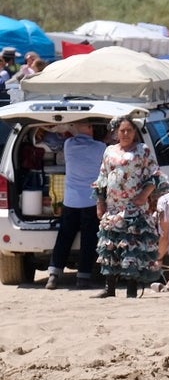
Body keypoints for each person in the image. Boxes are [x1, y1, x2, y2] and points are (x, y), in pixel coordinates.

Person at [92, 117, 164, 298]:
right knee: (111, 246)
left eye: (129, 131)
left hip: (134, 209)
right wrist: (100, 202)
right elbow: (102, 178)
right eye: (122, 130)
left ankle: (131, 290)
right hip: (113, 208)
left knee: (132, 248)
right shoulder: (109, 151)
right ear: (116, 132)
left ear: (134, 132)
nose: (125, 134)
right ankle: (110, 289)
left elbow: (155, 176)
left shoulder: (142, 151)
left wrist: (144, 195)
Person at [44, 121, 106, 290]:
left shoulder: (69, 145)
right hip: (91, 200)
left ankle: (53, 275)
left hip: (71, 201)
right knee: (89, 239)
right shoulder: (101, 147)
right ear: (92, 128)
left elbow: (61, 135)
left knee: (64, 237)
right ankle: (83, 277)